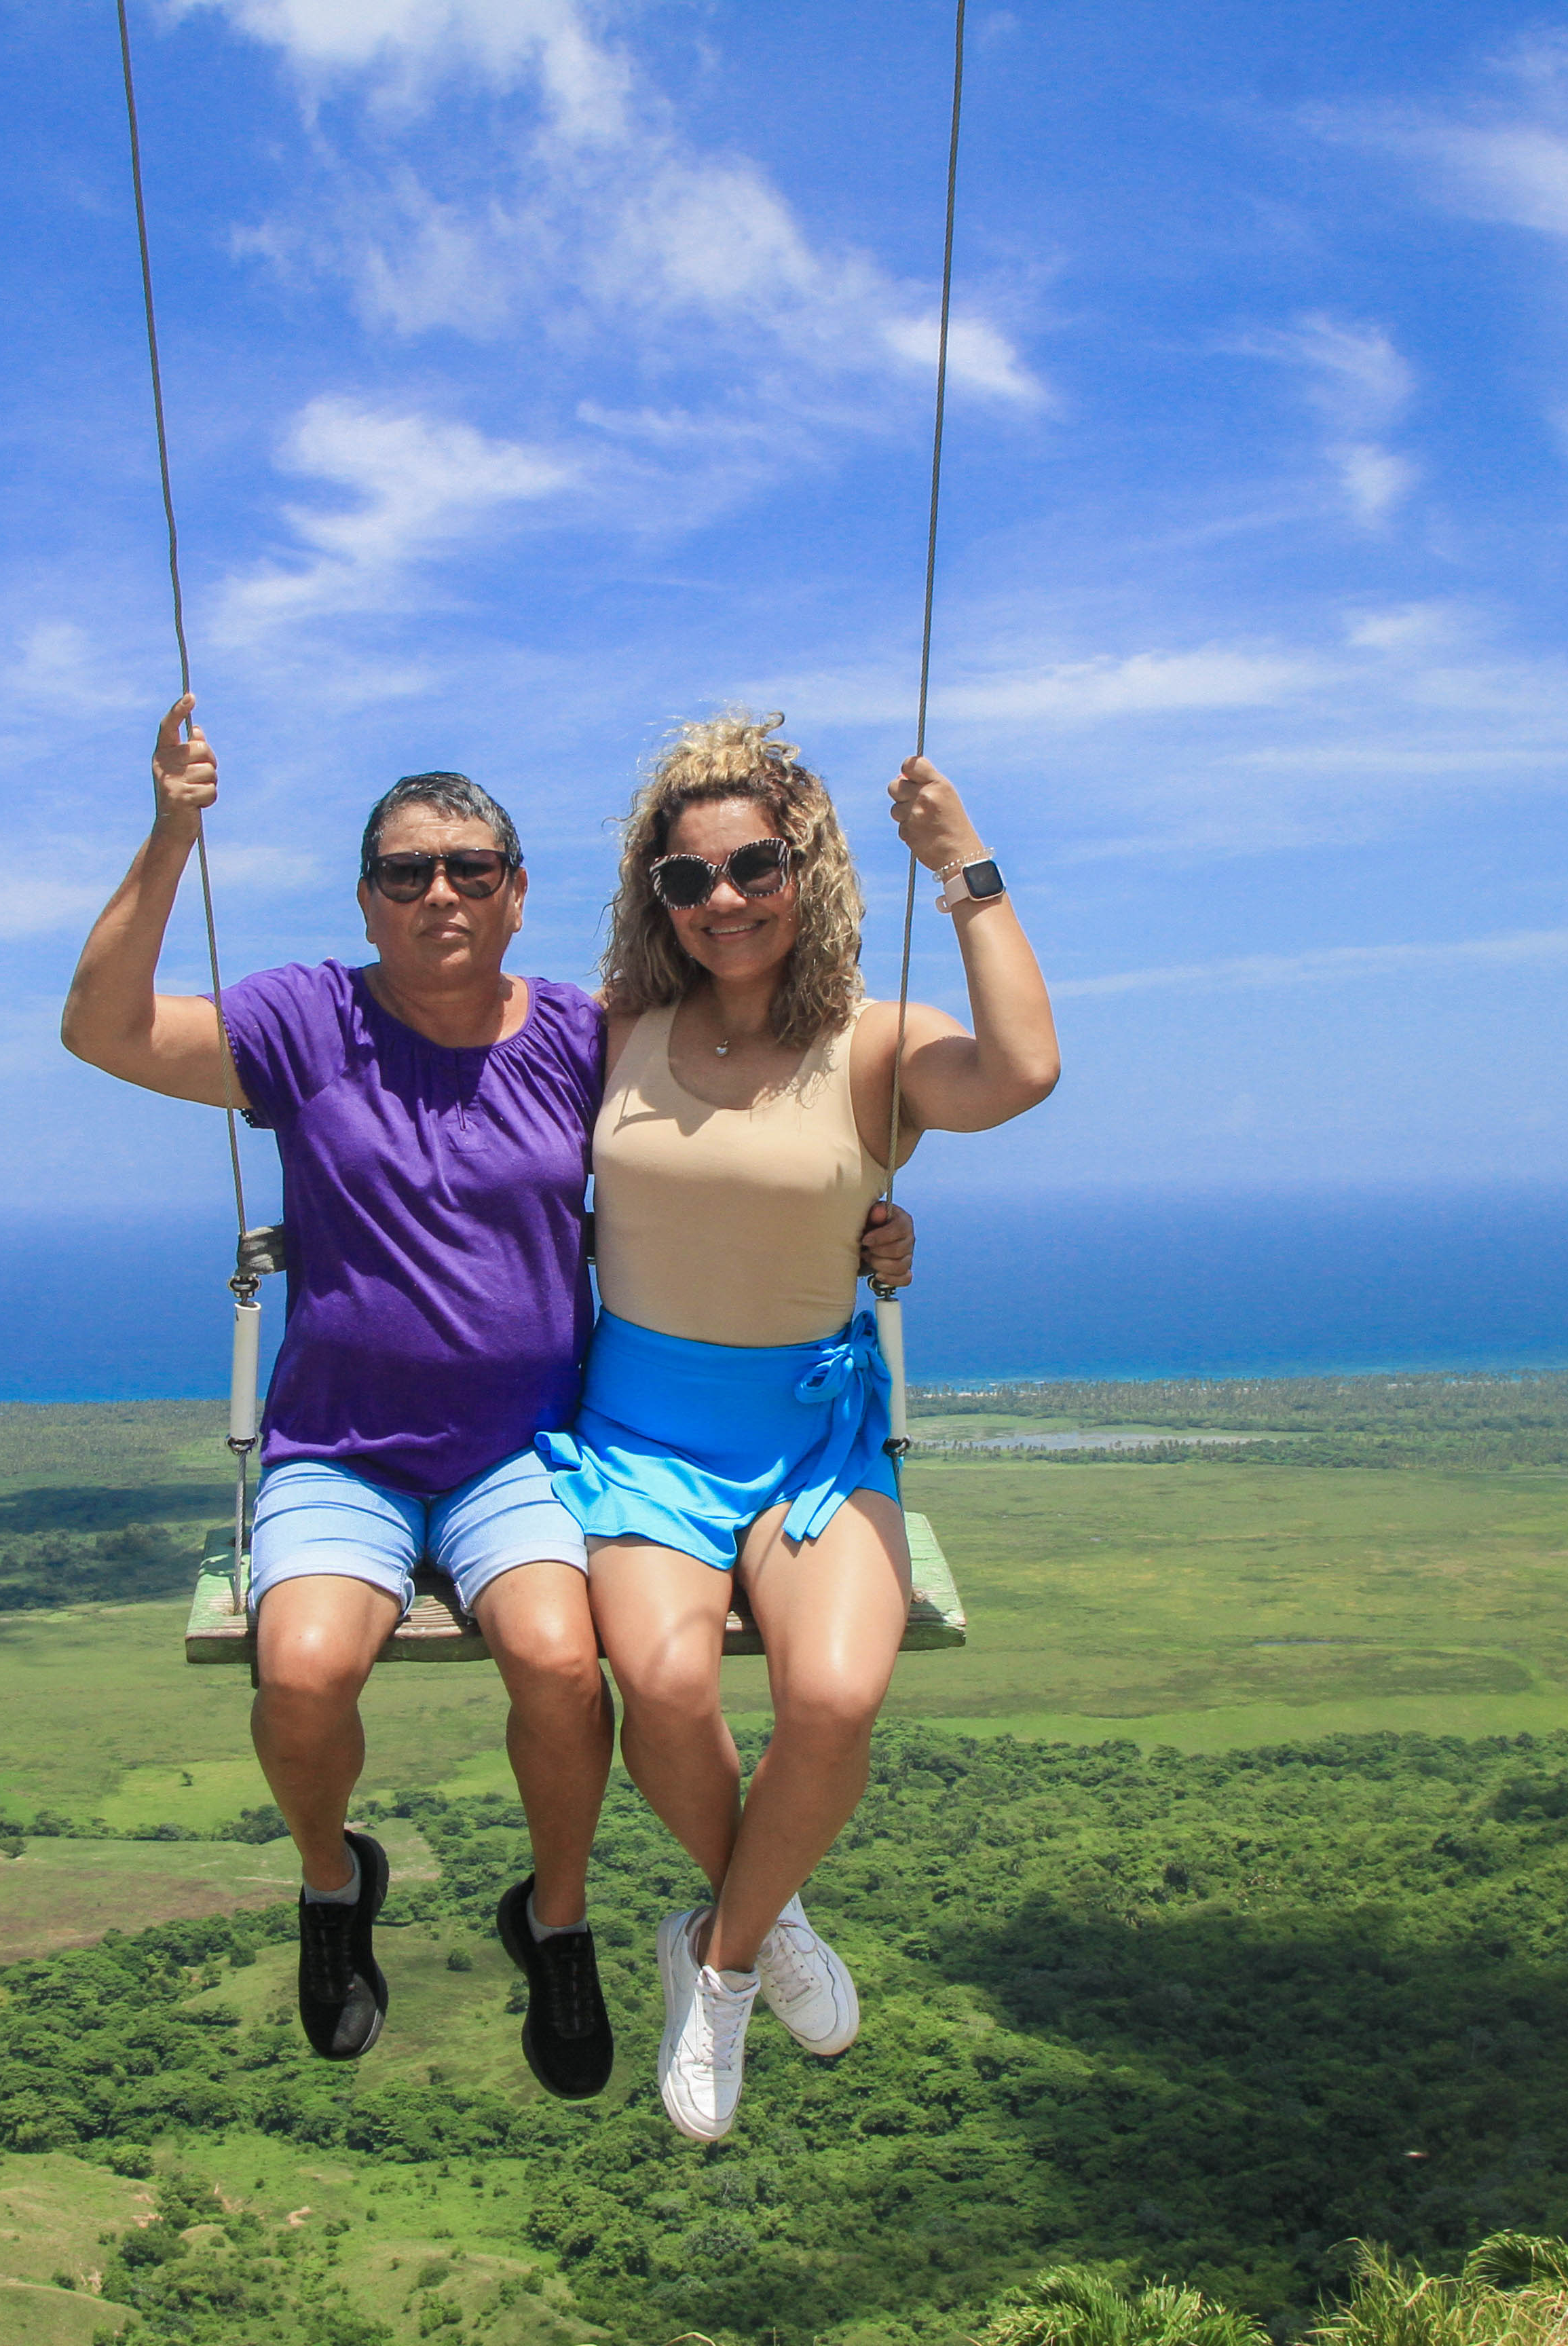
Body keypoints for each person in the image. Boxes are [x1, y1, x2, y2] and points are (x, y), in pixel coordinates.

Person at [57, 696, 914, 2100]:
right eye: (407, 873)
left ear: (520, 899)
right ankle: (337, 1886)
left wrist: (869, 1232)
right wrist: (171, 833)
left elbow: (748, 1128)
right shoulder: (304, 1021)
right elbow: (104, 1029)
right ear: (369, 901)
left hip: (523, 1450)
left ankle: (558, 1923)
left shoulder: (588, 1037)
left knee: (564, 1669)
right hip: (340, 1448)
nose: (439, 892)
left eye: (470, 869)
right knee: (305, 1672)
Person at [545, 711, 1056, 2142]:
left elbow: (1020, 1072)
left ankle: (709, 1960)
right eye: (689, 879)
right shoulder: (612, 1035)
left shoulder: (873, 1043)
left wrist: (963, 866)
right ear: (658, 894)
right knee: (660, 1681)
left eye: (754, 866)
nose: (724, 902)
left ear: (810, 865)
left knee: (832, 1701)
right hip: (641, 1430)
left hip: (813, 1434)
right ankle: (765, 1932)